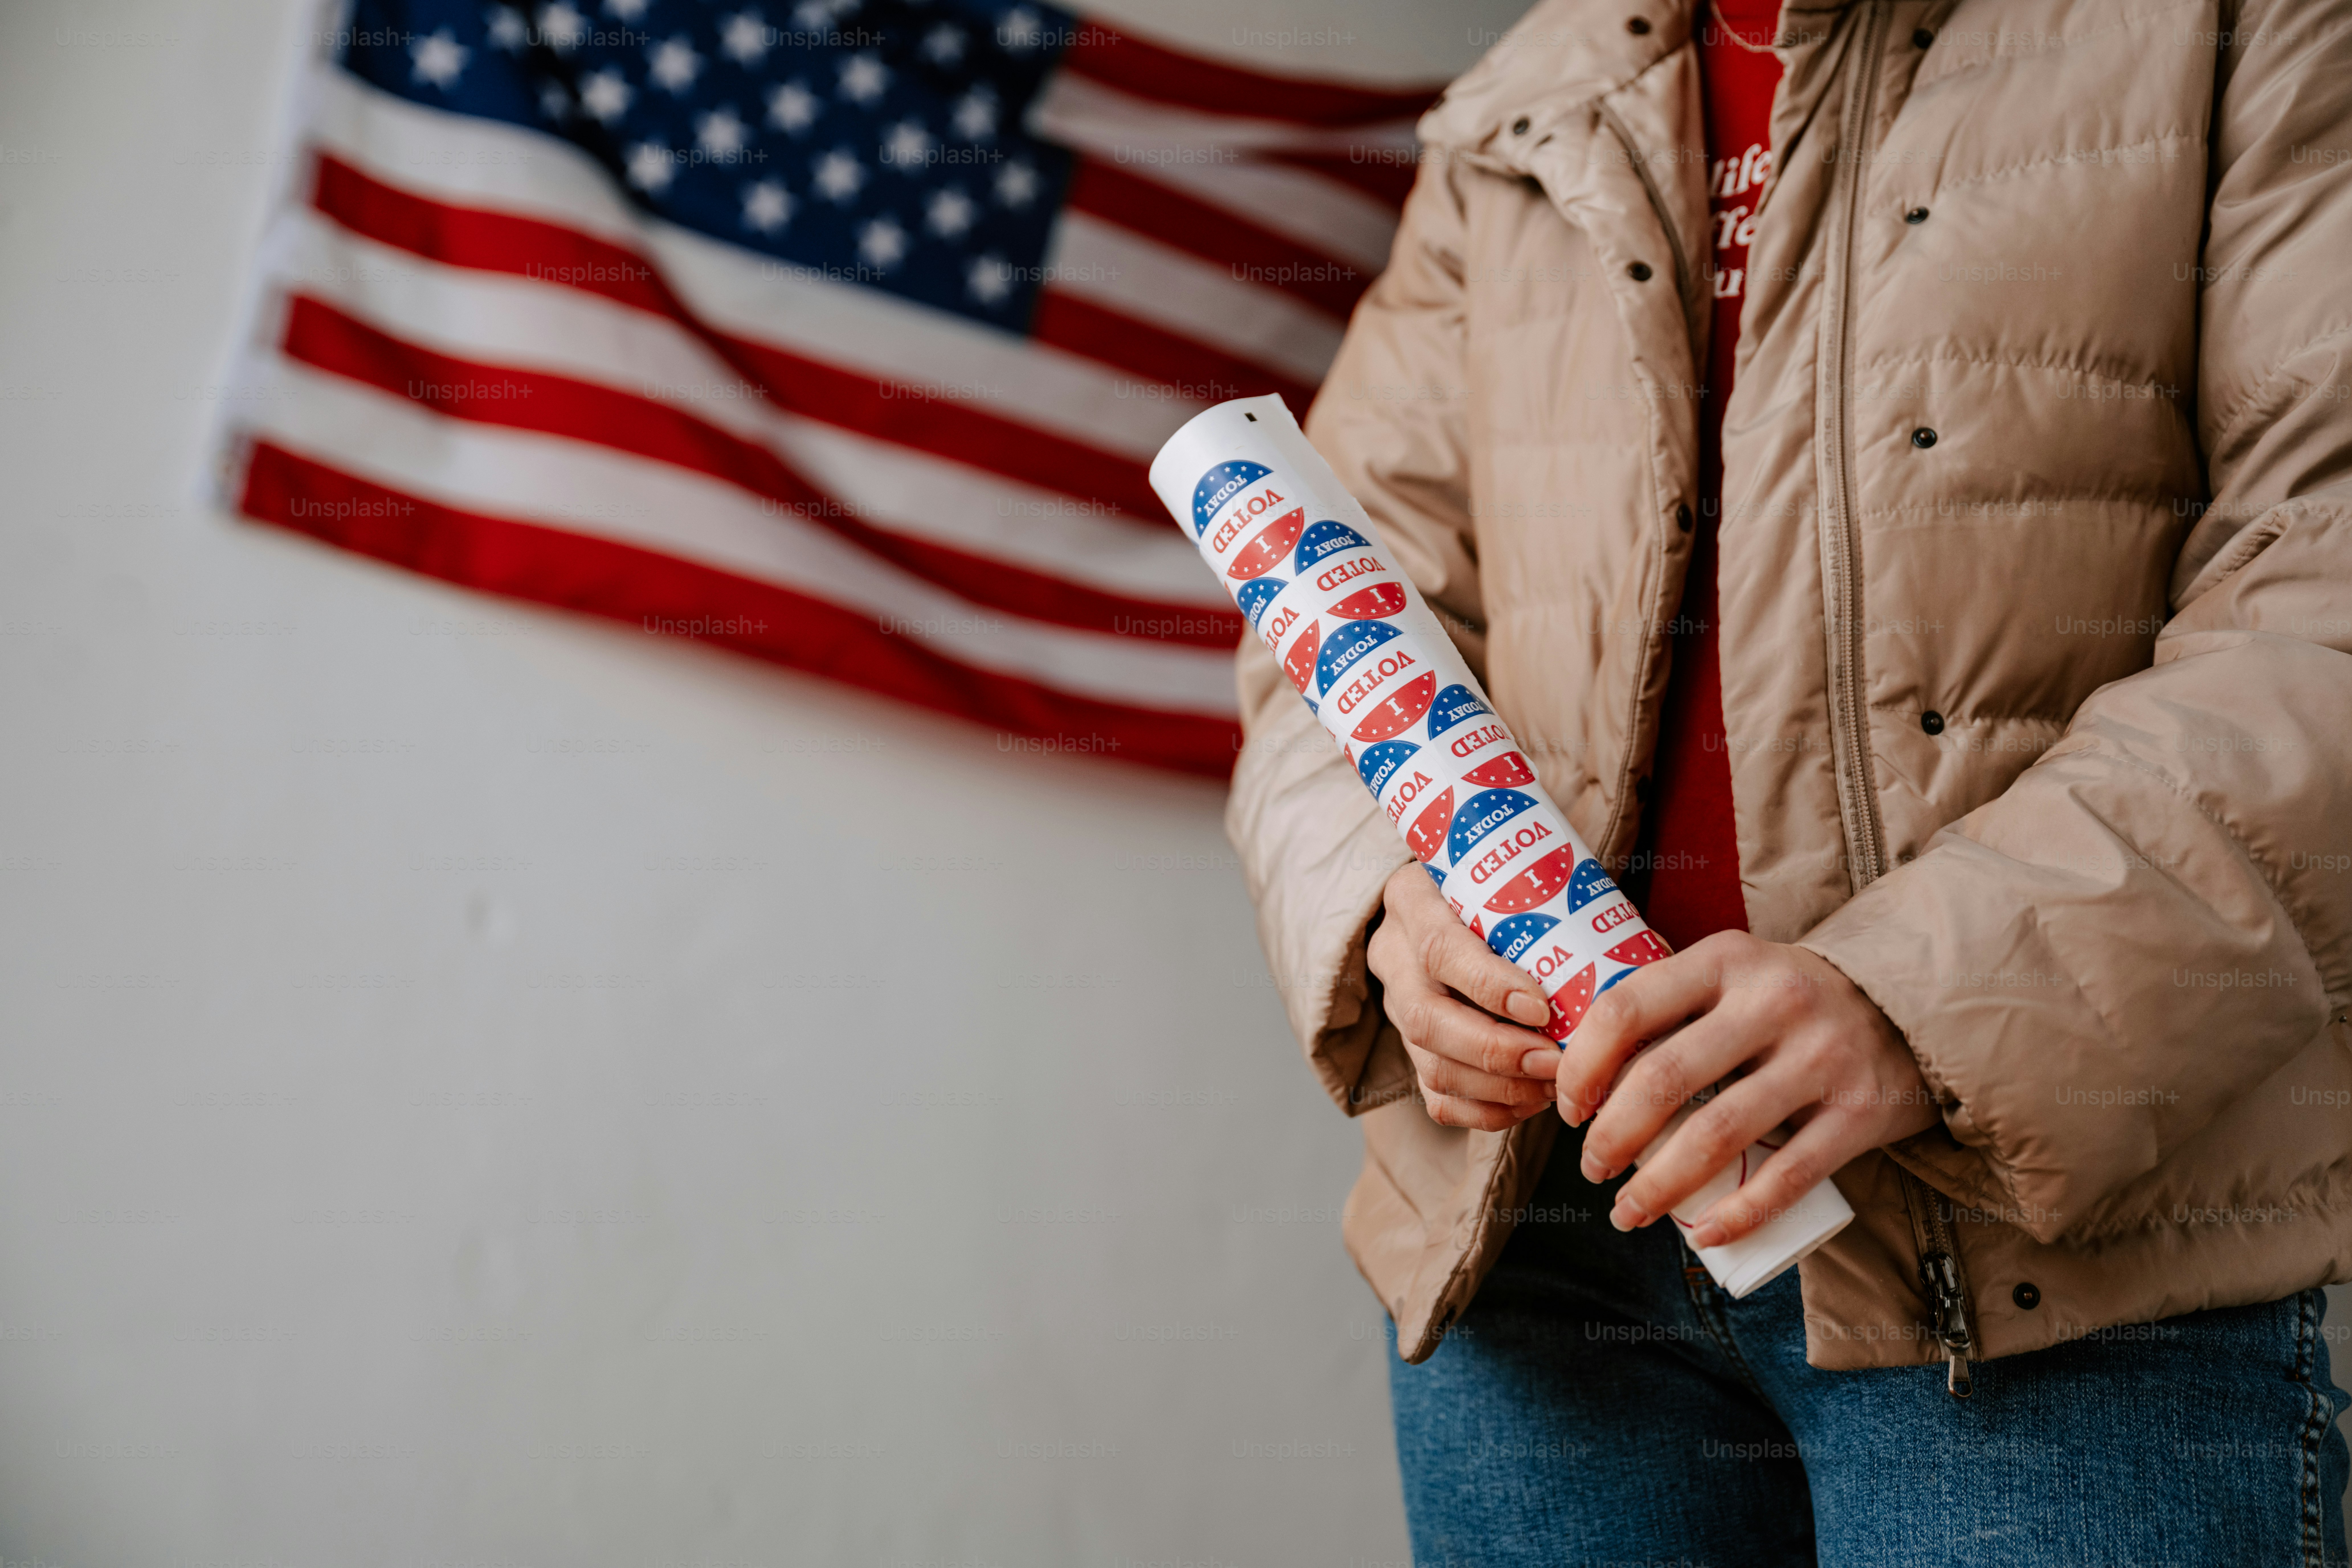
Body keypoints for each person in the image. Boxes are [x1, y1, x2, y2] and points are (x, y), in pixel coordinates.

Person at [1224, 0, 2352, 1560]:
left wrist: (1915, 1001)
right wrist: (1388, 911)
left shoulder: (2245, 30)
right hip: (1546, 1260)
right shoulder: (1525, 106)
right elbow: (1332, 635)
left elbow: (2322, 610)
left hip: (2055, 1292)